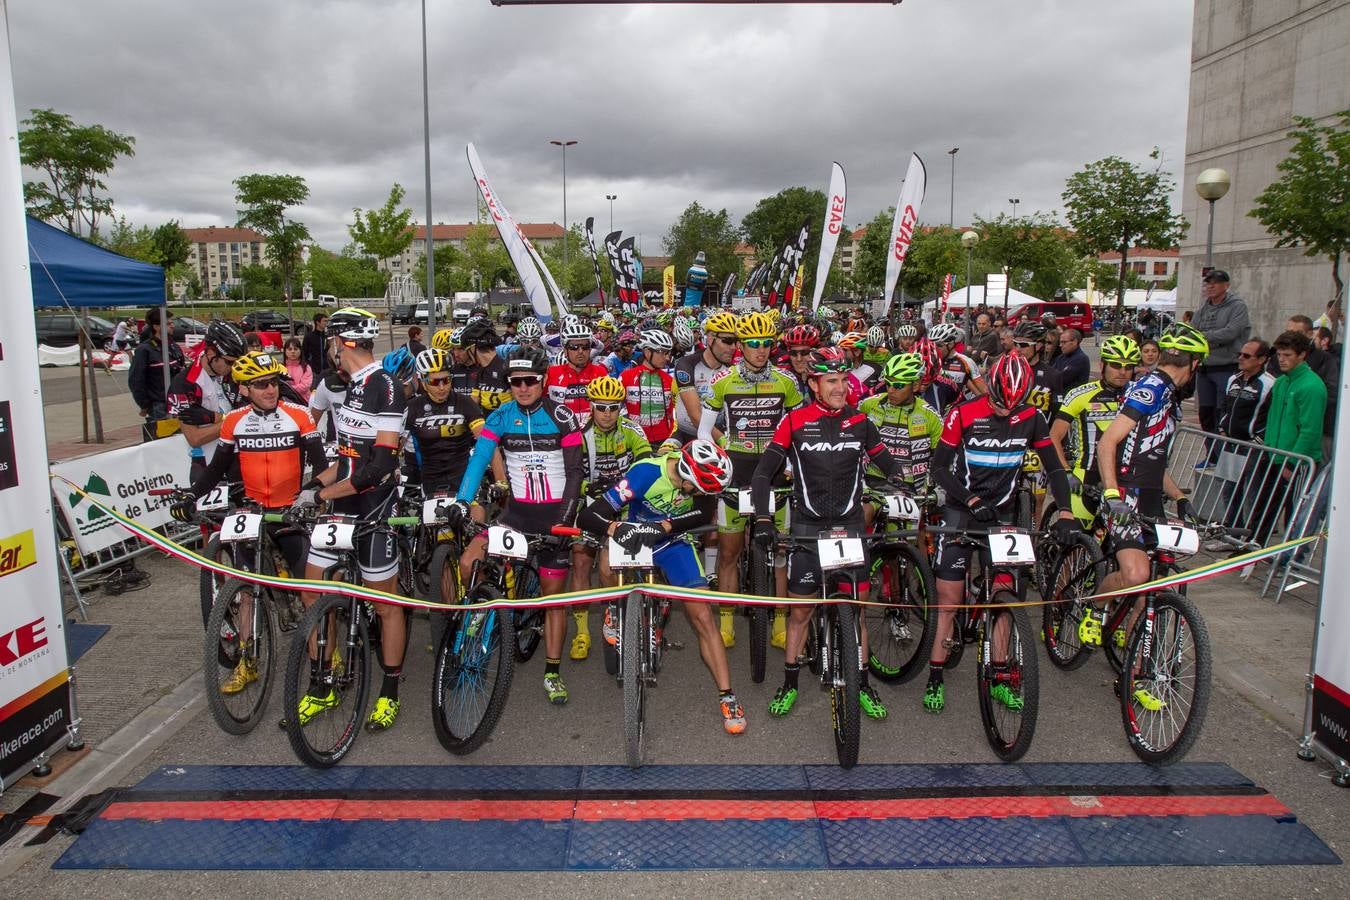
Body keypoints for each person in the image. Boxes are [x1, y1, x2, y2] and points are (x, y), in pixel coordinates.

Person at [750, 347, 906, 721]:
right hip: (807, 527)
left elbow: (886, 461)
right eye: (831, 381)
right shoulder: (794, 421)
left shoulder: (861, 422)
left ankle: (863, 683)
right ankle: (789, 683)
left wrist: (903, 481)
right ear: (814, 383)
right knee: (800, 613)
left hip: (849, 526)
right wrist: (763, 519)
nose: (840, 388)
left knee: (856, 611)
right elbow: (762, 474)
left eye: (843, 380)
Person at [921, 354, 1077, 714]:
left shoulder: (1032, 417)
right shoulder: (963, 413)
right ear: (989, 388)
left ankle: (1002, 671)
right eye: (999, 403)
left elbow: (1053, 468)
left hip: (1002, 514)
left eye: (1014, 405)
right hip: (963, 510)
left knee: (1007, 597)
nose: (1006, 412)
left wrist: (1065, 510)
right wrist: (970, 498)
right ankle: (935, 675)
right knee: (950, 600)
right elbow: (939, 468)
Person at [171, 350, 327, 694]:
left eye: (273, 383)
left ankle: (325, 663)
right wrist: (190, 495)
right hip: (254, 513)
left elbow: (321, 466)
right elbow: (215, 469)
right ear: (244, 390)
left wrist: (311, 494)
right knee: (246, 594)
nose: (270, 390)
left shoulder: (299, 415)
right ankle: (247, 662)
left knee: (308, 593)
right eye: (260, 385)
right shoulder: (233, 421)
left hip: (289, 511)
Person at [578, 440, 748, 734]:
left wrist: (666, 526)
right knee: (605, 563)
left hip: (671, 542)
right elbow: (589, 516)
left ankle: (728, 695)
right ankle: (612, 611)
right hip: (634, 533)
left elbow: (701, 513)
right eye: (699, 489)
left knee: (703, 616)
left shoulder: (699, 481)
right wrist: (613, 528)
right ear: (685, 478)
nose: (704, 495)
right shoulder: (645, 474)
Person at [293, 308, 410, 732]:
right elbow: (345, 461)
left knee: (385, 605)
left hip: (375, 504)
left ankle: (390, 690)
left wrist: (323, 493)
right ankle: (322, 684)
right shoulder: (346, 386)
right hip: (342, 501)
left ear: (343, 342)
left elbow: (377, 466)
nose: (329, 351)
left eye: (330, 342)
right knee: (311, 591)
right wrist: (311, 488)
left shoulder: (387, 387)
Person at [450, 345, 584, 705]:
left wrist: (564, 519)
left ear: (543, 381)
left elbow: (575, 473)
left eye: (529, 381)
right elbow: (479, 458)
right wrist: (462, 502)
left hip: (554, 516)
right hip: (516, 515)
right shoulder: (501, 416)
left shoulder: (562, 417)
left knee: (553, 600)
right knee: (468, 562)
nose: (522, 388)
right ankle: (474, 630)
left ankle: (552, 671)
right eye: (515, 382)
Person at [1093, 325, 1209, 657]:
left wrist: (1181, 497)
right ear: (1194, 364)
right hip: (1125, 494)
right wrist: (1112, 494)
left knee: (1152, 585)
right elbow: (1108, 443)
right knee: (1136, 574)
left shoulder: (1170, 394)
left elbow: (1154, 459)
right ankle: (1095, 607)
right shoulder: (1152, 388)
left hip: (1151, 495)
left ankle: (1135, 665)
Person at [700, 311, 803, 647]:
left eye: (767, 344)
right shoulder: (723, 381)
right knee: (729, 552)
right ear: (741, 345)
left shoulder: (786, 382)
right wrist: (717, 458)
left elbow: (798, 431)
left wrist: (792, 463)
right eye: (754, 344)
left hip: (774, 474)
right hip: (736, 472)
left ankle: (780, 621)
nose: (761, 350)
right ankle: (726, 621)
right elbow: (703, 431)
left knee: (781, 553)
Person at [568, 376, 652, 660]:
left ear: (621, 408)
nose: (606, 414)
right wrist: (584, 487)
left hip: (624, 503)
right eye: (601, 407)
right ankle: (582, 632)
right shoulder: (579, 432)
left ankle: (612, 613)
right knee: (580, 561)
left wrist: (625, 487)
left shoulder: (632, 430)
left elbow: (645, 464)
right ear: (591, 406)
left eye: (613, 408)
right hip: (591, 503)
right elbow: (570, 473)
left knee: (606, 568)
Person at [1249, 330, 1327, 545]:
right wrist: (1269, 449)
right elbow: (1273, 419)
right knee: (1264, 506)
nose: (1281, 359)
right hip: (1274, 455)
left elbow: (1310, 430)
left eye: (1287, 355)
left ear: (1302, 355)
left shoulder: (1311, 386)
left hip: (1297, 461)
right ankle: (1255, 546)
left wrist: (1292, 461)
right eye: (1280, 355)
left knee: (1296, 512)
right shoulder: (1282, 382)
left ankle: (1293, 554)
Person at [1050, 335, 1141, 508]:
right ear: (1102, 365)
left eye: (1128, 367)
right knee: (1074, 531)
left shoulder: (1138, 398)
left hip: (1124, 478)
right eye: (1115, 365)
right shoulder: (1080, 394)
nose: (1122, 372)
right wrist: (1066, 472)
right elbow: (1054, 437)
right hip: (1085, 478)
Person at [166, 320, 247, 478]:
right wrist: (234, 420)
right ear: (211, 354)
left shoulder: (235, 374)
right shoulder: (185, 384)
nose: (234, 367)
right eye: (229, 362)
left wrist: (219, 418)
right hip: (206, 463)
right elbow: (195, 438)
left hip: (238, 456)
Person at [1191, 270, 1251, 444]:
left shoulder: (1237, 306)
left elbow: (1231, 333)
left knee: (1221, 413)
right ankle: (1211, 454)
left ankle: (1221, 454)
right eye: (1208, 283)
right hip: (1205, 368)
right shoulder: (1203, 308)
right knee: (1205, 413)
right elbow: (1192, 333)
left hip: (1226, 367)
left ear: (1226, 286)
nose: (1210, 286)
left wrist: (1204, 337)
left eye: (1215, 282)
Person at [674, 311, 738, 443]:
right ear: (710, 339)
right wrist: (722, 441)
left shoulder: (731, 369)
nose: (733, 347)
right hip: (687, 435)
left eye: (736, 342)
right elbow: (695, 416)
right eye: (728, 341)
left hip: (720, 432)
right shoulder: (686, 364)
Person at [128, 309, 187, 439]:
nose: (172, 325)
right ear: (156, 326)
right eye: (168, 323)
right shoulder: (145, 350)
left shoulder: (174, 347)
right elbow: (135, 380)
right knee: (161, 443)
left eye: (172, 322)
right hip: (159, 407)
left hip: (178, 404)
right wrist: (144, 404)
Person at [546, 320, 609, 427]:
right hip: (563, 434)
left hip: (593, 433)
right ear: (565, 350)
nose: (580, 351)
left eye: (585, 347)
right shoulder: (552, 373)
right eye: (574, 347)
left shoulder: (600, 372)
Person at [622, 329, 677, 446]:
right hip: (634, 440)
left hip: (664, 440)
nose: (667, 358)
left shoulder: (669, 380)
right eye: (662, 352)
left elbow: (674, 414)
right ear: (647, 352)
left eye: (668, 353)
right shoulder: (626, 377)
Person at [927, 322, 986, 399]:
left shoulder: (966, 362)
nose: (934, 349)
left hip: (959, 407)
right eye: (932, 345)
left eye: (939, 345)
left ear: (950, 344)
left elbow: (984, 392)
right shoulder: (929, 361)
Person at [282, 336, 313, 402]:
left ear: (300, 351)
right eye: (290, 349)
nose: (293, 351)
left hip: (304, 401)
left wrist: (287, 389)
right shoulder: (280, 367)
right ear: (285, 351)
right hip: (286, 402)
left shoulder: (306, 367)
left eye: (295, 349)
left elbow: (304, 386)